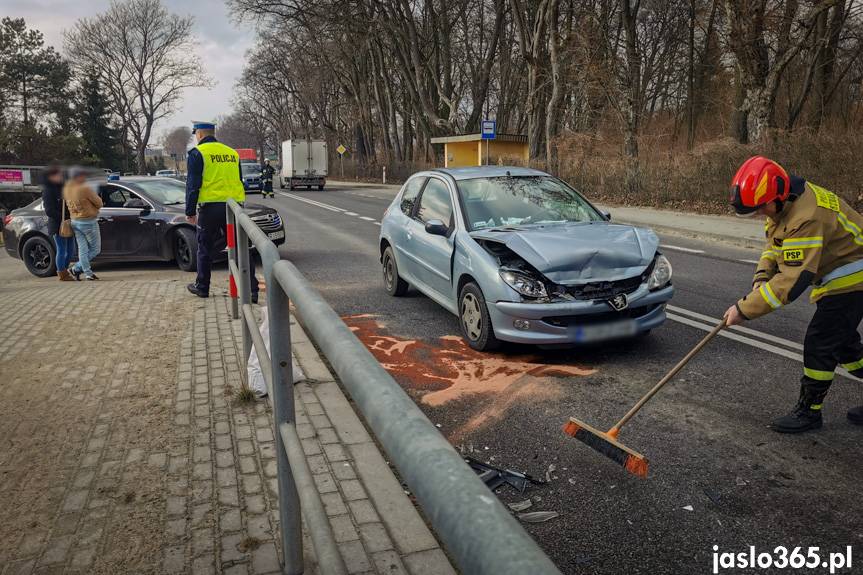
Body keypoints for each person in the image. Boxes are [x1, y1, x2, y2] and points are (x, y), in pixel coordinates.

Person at [723, 156, 863, 433]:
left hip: (852, 277)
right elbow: (775, 246)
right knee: (845, 345)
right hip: (838, 272)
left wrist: (744, 310)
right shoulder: (783, 203)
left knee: (820, 342)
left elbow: (793, 280)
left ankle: (809, 412)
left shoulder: (806, 217)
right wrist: (761, 278)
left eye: (761, 208)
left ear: (777, 196)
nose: (760, 214)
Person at [185, 121, 259, 302]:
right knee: (242, 248)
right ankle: (252, 290)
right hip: (234, 207)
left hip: (210, 209)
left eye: (196, 134)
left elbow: (193, 185)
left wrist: (190, 211)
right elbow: (239, 180)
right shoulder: (231, 153)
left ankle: (202, 287)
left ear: (200, 134)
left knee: (204, 248)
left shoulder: (197, 153)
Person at [63, 167, 103, 281]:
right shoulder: (84, 188)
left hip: (75, 221)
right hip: (88, 222)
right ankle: (76, 268)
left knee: (83, 250)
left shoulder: (67, 189)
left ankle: (88, 273)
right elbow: (99, 203)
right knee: (95, 249)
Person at [42, 165, 74, 281]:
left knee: (71, 250)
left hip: (69, 223)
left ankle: (64, 270)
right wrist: (62, 218)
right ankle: (62, 273)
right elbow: (49, 210)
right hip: (57, 225)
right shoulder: (48, 190)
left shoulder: (63, 187)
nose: (60, 176)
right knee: (62, 250)